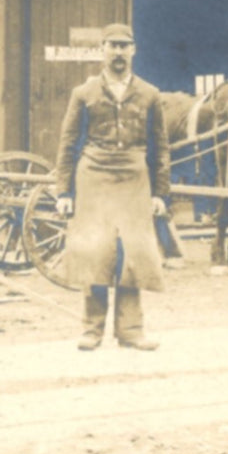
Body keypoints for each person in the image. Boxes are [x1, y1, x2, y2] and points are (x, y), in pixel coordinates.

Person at [53, 22, 170, 350]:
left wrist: (161, 193)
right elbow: (68, 144)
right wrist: (64, 192)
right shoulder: (84, 94)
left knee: (133, 255)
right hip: (94, 179)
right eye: (112, 45)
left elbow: (160, 147)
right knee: (96, 253)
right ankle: (92, 330)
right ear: (102, 50)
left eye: (124, 46)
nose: (118, 52)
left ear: (133, 50)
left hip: (134, 181)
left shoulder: (150, 94)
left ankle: (131, 330)